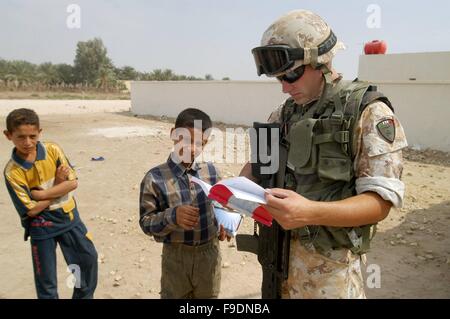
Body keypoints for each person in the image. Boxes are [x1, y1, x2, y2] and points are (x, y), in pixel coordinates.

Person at [240, 9, 408, 298]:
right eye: (279, 78)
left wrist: (309, 212)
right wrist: (233, 193)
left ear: (322, 60)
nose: (284, 87)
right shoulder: (280, 114)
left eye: (291, 74)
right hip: (276, 267)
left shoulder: (368, 112)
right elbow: (256, 170)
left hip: (331, 277)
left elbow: (381, 202)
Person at [3, 108, 98, 299]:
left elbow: (73, 183)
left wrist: (42, 194)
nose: (28, 142)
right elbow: (31, 210)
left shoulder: (52, 150)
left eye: (32, 136)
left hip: (69, 220)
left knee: (85, 263)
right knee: (46, 282)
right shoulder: (12, 172)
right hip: (41, 227)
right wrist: (58, 185)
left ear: (40, 132)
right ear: (8, 135)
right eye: (21, 137)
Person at [139, 108, 230, 299]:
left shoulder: (212, 173)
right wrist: (173, 216)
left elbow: (221, 206)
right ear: (174, 134)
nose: (193, 149)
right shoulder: (155, 178)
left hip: (209, 256)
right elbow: (146, 223)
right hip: (176, 258)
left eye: (200, 143)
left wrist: (225, 223)